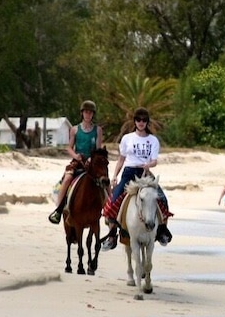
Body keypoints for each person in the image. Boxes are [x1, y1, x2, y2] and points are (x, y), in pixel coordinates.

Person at [101, 107, 173, 250]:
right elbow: (121, 159)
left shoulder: (153, 140)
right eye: (138, 120)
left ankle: (162, 231)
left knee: (162, 199)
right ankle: (111, 235)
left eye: (144, 120)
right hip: (129, 172)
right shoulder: (127, 138)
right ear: (134, 121)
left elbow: (154, 161)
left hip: (145, 172)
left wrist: (148, 165)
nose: (141, 122)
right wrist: (115, 176)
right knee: (114, 199)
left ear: (147, 122)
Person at [48, 100, 105, 224]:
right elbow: (69, 147)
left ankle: (107, 209)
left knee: (103, 181)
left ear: (93, 114)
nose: (88, 115)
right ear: (82, 113)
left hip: (92, 162)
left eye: (90, 113)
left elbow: (98, 148)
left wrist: (92, 158)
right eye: (86, 112)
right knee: (67, 178)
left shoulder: (98, 130)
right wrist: (76, 155)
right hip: (78, 160)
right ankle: (58, 209)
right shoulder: (74, 129)